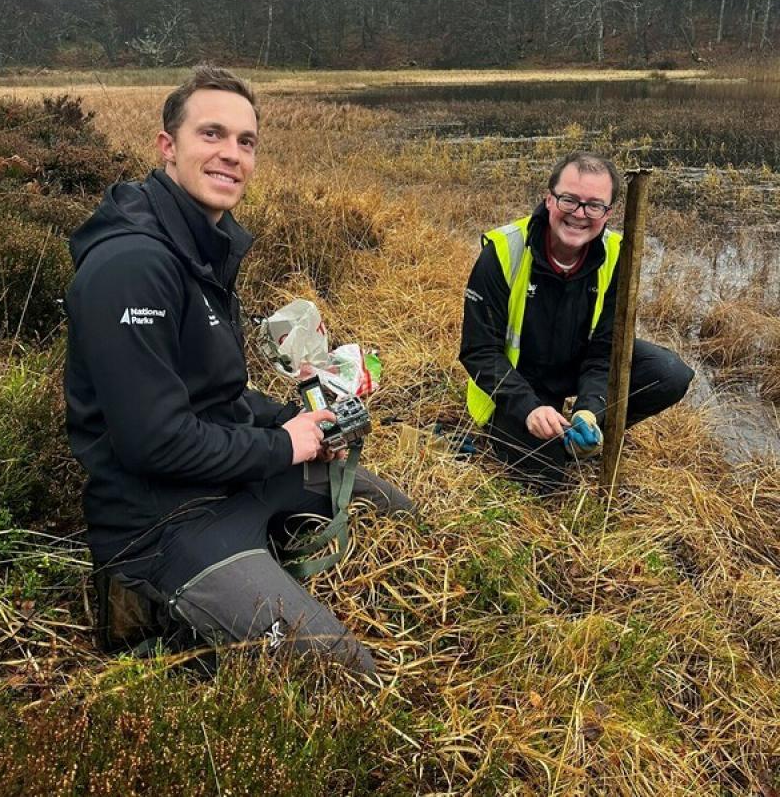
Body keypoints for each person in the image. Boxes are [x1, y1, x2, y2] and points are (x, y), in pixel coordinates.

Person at [65, 65, 412, 676]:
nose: (231, 155)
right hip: (163, 524)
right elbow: (154, 441)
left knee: (394, 512)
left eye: (245, 142)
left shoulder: (203, 246)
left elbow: (220, 394)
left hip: (232, 482)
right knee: (344, 675)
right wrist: (284, 445)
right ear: (168, 147)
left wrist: (308, 424)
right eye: (212, 135)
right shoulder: (132, 266)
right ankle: (168, 616)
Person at [459, 150, 694, 492]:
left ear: (608, 213)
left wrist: (589, 409)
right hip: (517, 382)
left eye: (594, 205)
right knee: (547, 481)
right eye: (569, 200)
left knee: (669, 373)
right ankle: (539, 440)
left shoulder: (618, 255)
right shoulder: (503, 250)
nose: (580, 214)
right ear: (549, 199)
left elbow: (605, 350)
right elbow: (479, 350)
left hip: (575, 367)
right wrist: (528, 408)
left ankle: (582, 432)